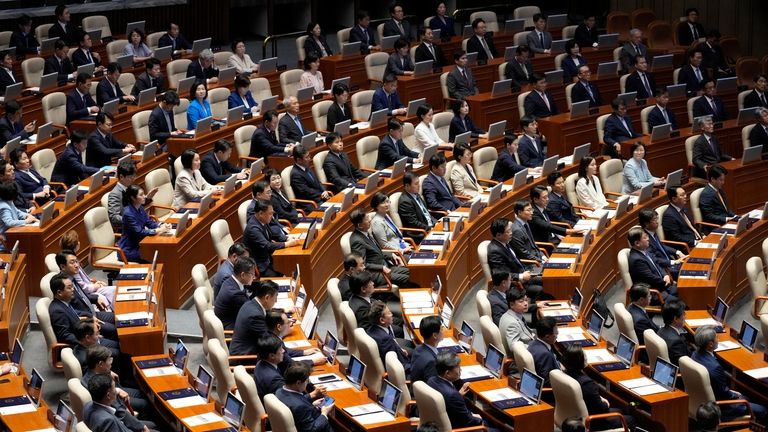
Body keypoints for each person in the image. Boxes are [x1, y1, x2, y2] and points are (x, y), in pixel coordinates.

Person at [692, 326, 768, 423]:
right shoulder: (715, 368)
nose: (718, 340)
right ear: (710, 344)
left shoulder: (695, 354)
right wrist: (736, 394)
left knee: (748, 396)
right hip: (722, 408)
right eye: (717, 338)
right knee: (763, 410)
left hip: (705, 399)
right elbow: (725, 394)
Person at [561, 344, 636, 430]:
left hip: (576, 413)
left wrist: (599, 398)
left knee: (622, 411)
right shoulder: (587, 383)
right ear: (579, 361)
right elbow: (601, 409)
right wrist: (605, 403)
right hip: (593, 421)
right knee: (631, 419)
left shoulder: (566, 373)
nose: (586, 358)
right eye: (584, 356)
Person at [349, 209, 413, 288]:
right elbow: (362, 265)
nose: (370, 220)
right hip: (376, 273)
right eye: (366, 219)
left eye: (368, 217)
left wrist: (391, 255)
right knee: (408, 278)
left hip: (385, 266)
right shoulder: (357, 241)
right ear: (360, 225)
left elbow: (376, 251)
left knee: (413, 272)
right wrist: (381, 268)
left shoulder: (365, 232)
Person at [487, 218, 544, 302]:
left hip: (523, 275)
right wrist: (521, 276)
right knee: (541, 289)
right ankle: (530, 308)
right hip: (514, 284)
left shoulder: (505, 242)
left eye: (510, 230)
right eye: (508, 231)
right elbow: (501, 274)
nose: (511, 233)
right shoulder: (494, 251)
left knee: (547, 279)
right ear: (498, 235)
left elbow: (515, 260)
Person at [244, 200, 300, 277]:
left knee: (291, 266)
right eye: (270, 213)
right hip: (261, 265)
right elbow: (268, 246)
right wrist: (287, 244)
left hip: (269, 258)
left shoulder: (262, 220)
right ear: (260, 213)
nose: (272, 216)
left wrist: (287, 238)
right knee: (285, 273)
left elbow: (273, 235)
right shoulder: (253, 228)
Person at [427, 352, 484, 429]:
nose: (460, 369)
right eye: (458, 367)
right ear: (448, 373)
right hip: (457, 427)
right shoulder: (452, 395)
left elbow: (445, 400)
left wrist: (458, 394)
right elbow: (468, 421)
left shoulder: (431, 380)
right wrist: (478, 418)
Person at [60, 232, 116, 307]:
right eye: (78, 241)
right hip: (87, 294)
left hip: (90, 286)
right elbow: (84, 288)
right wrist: (97, 286)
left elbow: (82, 279)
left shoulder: (70, 259)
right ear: (77, 245)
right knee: (114, 291)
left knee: (114, 290)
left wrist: (93, 282)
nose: (76, 264)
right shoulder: (72, 266)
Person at [276, 364, 333, 432]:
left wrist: (312, 404)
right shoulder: (300, 407)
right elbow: (311, 430)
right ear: (298, 383)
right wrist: (324, 413)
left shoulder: (279, 391)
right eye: (307, 381)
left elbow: (295, 400)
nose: (307, 383)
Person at [119, 185, 169, 262]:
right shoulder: (128, 213)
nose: (145, 196)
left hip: (140, 243)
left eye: (144, 194)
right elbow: (139, 232)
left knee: (162, 250)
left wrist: (161, 225)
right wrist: (158, 230)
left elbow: (148, 222)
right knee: (156, 254)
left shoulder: (140, 207)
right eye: (141, 195)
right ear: (133, 198)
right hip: (129, 249)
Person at [627, 227, 678, 301]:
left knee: (685, 292)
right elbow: (651, 279)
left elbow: (657, 264)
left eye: (647, 236)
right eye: (645, 237)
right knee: (682, 302)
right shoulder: (636, 260)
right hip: (653, 293)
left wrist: (665, 275)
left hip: (662, 285)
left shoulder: (645, 251)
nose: (648, 239)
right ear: (637, 243)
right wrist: (665, 282)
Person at [229, 280, 278, 355]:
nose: (276, 301)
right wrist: (282, 333)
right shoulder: (255, 316)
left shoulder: (250, 303)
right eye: (275, 298)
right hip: (244, 358)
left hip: (243, 348)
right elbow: (269, 343)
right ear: (267, 298)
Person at [640, 208, 684, 280]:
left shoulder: (652, 232)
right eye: (654, 220)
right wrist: (673, 262)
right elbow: (654, 259)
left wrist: (677, 251)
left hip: (671, 264)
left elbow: (660, 246)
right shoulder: (645, 240)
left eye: (657, 218)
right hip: (665, 269)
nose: (657, 221)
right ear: (646, 224)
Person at [214, 256, 257, 330]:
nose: (254, 277)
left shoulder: (229, 281)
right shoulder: (235, 294)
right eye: (252, 274)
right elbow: (253, 312)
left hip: (232, 318)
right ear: (243, 275)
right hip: (231, 329)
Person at [367, 301, 411, 371]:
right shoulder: (385, 340)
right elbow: (399, 364)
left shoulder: (371, 329)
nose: (392, 314)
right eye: (389, 313)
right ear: (382, 320)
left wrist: (400, 350)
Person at [108, 161, 154, 228]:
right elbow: (114, 218)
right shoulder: (115, 194)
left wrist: (148, 198)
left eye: (134, 176)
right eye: (130, 177)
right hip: (129, 228)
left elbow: (137, 205)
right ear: (121, 177)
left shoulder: (131, 187)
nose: (133, 179)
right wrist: (132, 219)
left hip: (140, 224)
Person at [290, 145, 330, 213]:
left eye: (309, 156)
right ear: (299, 160)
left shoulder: (306, 166)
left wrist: (324, 191)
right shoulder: (295, 174)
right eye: (306, 157)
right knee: (331, 211)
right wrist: (321, 194)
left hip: (319, 198)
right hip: (309, 203)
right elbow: (306, 192)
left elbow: (318, 182)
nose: (309, 158)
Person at [398, 172, 435, 244]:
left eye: (418, 183)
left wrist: (436, 222)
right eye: (416, 184)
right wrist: (430, 228)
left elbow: (426, 212)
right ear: (407, 186)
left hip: (428, 227)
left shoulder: (416, 194)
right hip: (419, 234)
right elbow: (414, 223)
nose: (419, 186)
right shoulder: (405, 202)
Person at [662, 186, 702, 250]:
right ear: (674, 199)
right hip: (687, 247)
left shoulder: (683, 208)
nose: (685, 196)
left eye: (685, 194)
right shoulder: (669, 216)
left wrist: (702, 236)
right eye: (682, 195)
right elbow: (676, 237)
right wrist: (695, 242)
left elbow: (692, 226)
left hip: (698, 240)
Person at [699, 165, 736, 232]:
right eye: (721, 180)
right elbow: (709, 216)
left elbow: (727, 209)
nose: (723, 182)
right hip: (715, 226)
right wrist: (726, 219)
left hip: (726, 222)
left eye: (723, 180)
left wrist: (735, 216)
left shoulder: (719, 189)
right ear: (713, 179)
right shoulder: (706, 194)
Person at [0, 182, 36, 249]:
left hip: (15, 231)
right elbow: (9, 223)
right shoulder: (4, 207)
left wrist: (27, 215)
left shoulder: (8, 201)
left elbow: (17, 212)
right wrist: (26, 221)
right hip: (7, 238)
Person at [499, 288, 534, 354]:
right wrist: (536, 348)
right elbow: (515, 348)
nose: (526, 303)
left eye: (526, 300)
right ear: (512, 305)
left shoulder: (509, 314)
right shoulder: (512, 324)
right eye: (521, 301)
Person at [511, 199, 547, 264]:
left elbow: (533, 244)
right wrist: (540, 261)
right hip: (530, 264)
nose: (532, 212)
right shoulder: (517, 230)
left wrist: (542, 256)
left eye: (531, 209)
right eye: (528, 210)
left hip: (536, 258)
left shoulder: (526, 223)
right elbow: (523, 253)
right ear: (519, 212)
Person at [527, 317, 560, 385]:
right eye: (556, 332)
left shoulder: (533, 343)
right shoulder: (545, 354)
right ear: (547, 337)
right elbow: (546, 381)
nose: (558, 334)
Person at [658, 300, 692, 366]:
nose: (685, 317)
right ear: (675, 319)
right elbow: (684, 366)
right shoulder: (676, 342)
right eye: (683, 314)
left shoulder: (661, 330)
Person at [411, 315, 442, 382]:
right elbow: (433, 386)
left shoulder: (418, 348)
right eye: (442, 329)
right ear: (435, 335)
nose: (443, 331)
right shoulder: (432, 362)